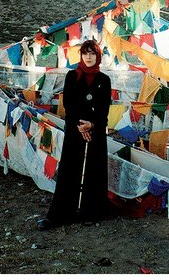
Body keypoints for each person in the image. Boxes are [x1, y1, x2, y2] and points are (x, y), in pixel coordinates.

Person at [37, 39, 112, 230]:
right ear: (80, 55)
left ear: (98, 56)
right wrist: (80, 125)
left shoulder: (104, 80)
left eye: (92, 54)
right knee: (69, 169)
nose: (88, 57)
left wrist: (91, 124)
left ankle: (90, 211)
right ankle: (60, 214)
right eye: (85, 53)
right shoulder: (72, 76)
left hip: (95, 130)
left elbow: (104, 109)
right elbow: (69, 104)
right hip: (74, 127)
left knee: (93, 170)